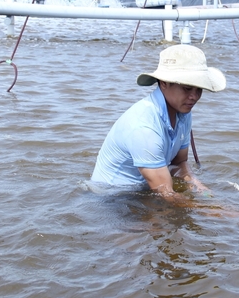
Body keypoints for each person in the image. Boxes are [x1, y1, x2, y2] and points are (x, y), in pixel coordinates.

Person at [91, 44, 226, 203]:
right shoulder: (144, 126)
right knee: (164, 220)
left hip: (141, 189)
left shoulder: (183, 111)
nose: (194, 97)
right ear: (163, 83)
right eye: (187, 88)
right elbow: (166, 194)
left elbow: (179, 162)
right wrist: (216, 212)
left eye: (199, 90)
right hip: (112, 199)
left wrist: (198, 187)